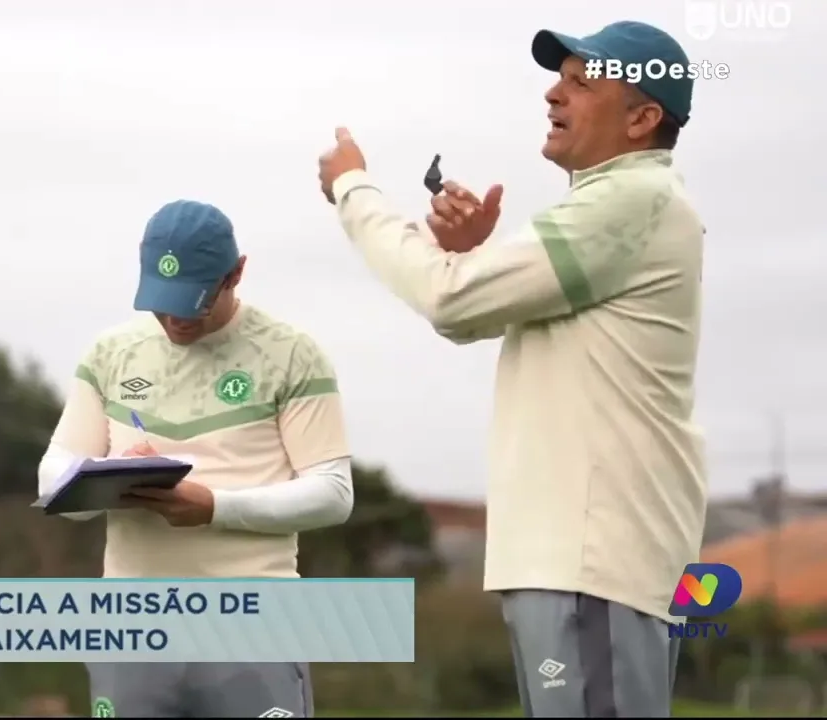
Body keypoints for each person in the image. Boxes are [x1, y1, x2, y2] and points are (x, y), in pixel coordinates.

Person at [317, 20, 705, 719]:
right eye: (559, 78)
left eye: (582, 83)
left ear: (644, 117)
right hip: (576, 565)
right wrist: (469, 255)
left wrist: (354, 192)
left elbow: (450, 301)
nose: (554, 93)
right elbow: (469, 306)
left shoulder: (629, 200)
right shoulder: (617, 204)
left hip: (591, 564)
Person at [37, 200, 353, 718]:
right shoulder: (109, 353)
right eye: (161, 301)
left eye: (194, 301)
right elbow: (55, 480)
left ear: (237, 273)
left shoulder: (293, 353)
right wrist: (109, 475)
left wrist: (214, 507)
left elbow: (333, 494)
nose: (175, 318)